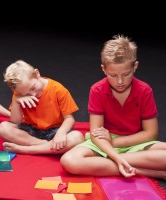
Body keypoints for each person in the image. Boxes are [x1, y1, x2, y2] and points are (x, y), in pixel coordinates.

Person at [61, 35, 166, 179]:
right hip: (103, 144)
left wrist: (114, 141)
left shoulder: (144, 90)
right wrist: (116, 155)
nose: (120, 81)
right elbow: (96, 134)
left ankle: (114, 164)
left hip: (135, 142)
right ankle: (146, 171)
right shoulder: (97, 90)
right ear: (104, 69)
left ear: (135, 66)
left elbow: (151, 133)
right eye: (113, 75)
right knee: (69, 161)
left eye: (126, 74)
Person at [0, 60, 84, 154]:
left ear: (37, 73)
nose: (33, 94)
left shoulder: (57, 89)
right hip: (32, 131)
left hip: (55, 130)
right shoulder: (19, 93)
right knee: (3, 127)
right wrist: (16, 102)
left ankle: (25, 149)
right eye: (27, 94)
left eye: (33, 88)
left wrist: (61, 133)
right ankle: (44, 145)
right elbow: (15, 121)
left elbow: (69, 119)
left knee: (77, 137)